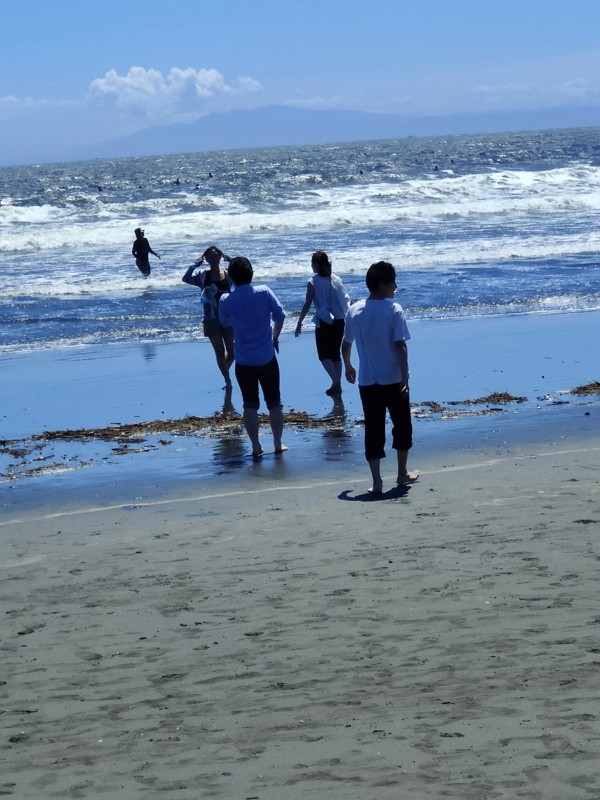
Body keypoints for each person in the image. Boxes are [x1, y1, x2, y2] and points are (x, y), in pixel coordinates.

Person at [342, 261, 419, 494]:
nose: (395, 286)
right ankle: (402, 473)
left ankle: (376, 481)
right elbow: (400, 347)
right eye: (393, 281)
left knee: (373, 429)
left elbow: (346, 344)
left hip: (368, 380)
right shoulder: (393, 309)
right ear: (383, 284)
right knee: (402, 425)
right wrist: (405, 378)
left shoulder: (354, 309)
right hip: (393, 379)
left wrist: (348, 365)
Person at [218, 256, 287, 458]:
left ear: (231, 276)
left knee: (250, 405)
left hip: (243, 359)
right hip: (266, 355)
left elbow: (224, 322)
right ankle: (277, 443)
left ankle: (256, 446)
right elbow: (280, 315)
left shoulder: (226, 300)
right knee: (274, 402)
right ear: (252, 274)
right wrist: (274, 336)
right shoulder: (264, 292)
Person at [294, 250, 350, 396]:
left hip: (324, 322)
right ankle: (337, 383)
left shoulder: (313, 282)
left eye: (312, 263)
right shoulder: (336, 279)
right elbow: (345, 299)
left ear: (317, 264)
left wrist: (300, 321)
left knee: (324, 355)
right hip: (339, 320)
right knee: (335, 354)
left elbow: (307, 303)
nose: (311, 266)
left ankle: (335, 382)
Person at [182, 246, 235, 389]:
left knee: (232, 352)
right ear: (206, 259)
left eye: (216, 255)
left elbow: (244, 273)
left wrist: (230, 260)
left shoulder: (228, 274)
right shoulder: (203, 276)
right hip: (210, 319)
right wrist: (195, 264)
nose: (213, 258)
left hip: (228, 317)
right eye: (210, 256)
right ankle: (227, 381)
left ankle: (224, 371)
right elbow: (185, 278)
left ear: (220, 256)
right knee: (219, 351)